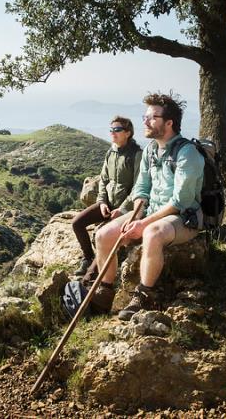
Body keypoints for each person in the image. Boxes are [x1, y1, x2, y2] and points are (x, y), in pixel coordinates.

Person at [90, 92, 204, 321]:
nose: (145, 121)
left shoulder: (187, 153)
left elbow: (179, 202)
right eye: (145, 116)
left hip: (183, 217)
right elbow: (141, 190)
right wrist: (134, 216)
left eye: (152, 117)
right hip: (152, 211)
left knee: (152, 233)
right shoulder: (151, 151)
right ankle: (105, 289)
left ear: (168, 123)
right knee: (103, 234)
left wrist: (142, 224)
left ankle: (143, 295)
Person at [71, 116, 142, 279]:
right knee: (77, 223)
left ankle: (91, 276)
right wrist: (102, 202)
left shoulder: (137, 154)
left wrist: (122, 209)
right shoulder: (111, 152)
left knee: (101, 235)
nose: (113, 133)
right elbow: (103, 179)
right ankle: (88, 258)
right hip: (108, 204)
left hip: (126, 209)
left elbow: (139, 187)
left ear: (128, 133)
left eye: (117, 130)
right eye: (111, 130)